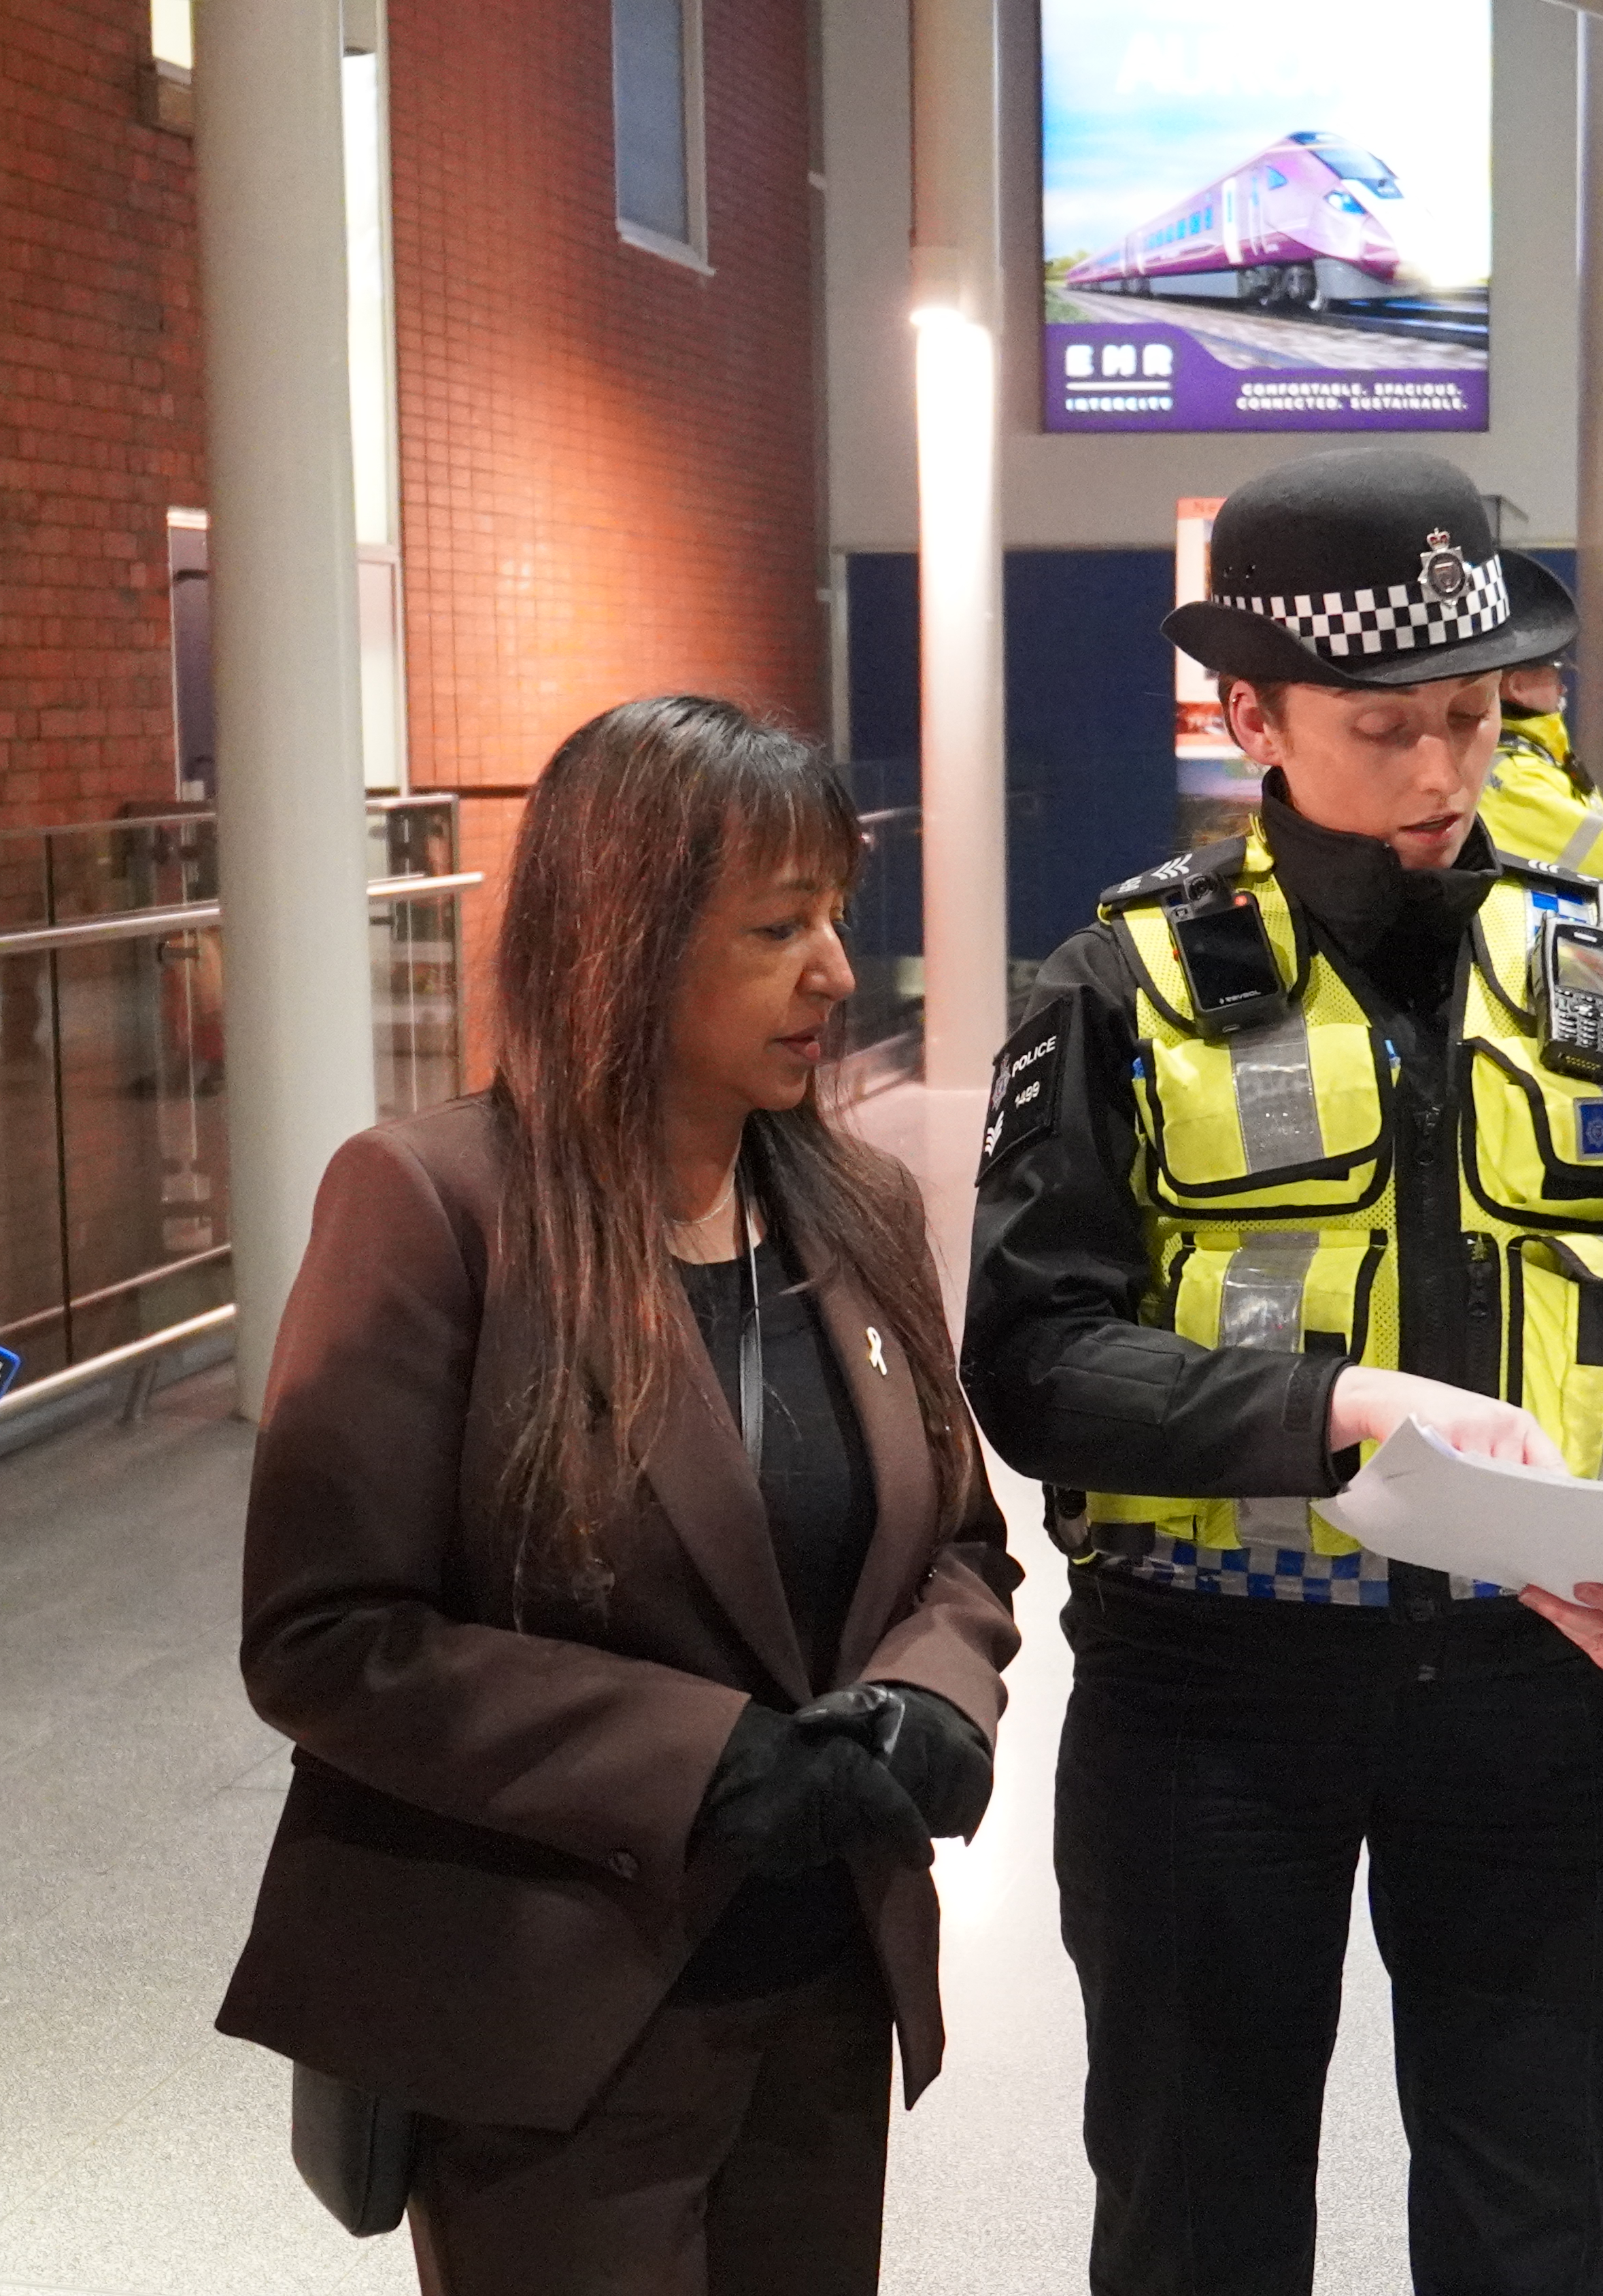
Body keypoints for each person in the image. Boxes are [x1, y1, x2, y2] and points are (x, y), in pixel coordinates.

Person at [962, 447, 1603, 2296]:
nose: (1439, 778)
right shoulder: (1121, 987)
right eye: (1383, 730)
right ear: (1250, 712)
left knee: (1533, 2222)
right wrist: (1331, 1406)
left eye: (1474, 721)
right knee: (1199, 2218)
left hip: (1541, 1703)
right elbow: (1032, 1361)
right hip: (1210, 1700)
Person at [220, 695, 1023, 2294]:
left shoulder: (849, 1201)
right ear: (627, 941)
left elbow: (959, 1545)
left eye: (837, 918)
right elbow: (326, 1636)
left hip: (819, 1979)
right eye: (778, 926)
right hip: (553, 2020)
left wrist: (936, 1704)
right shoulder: (437, 1204)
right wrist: (707, 1764)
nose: (837, 974)